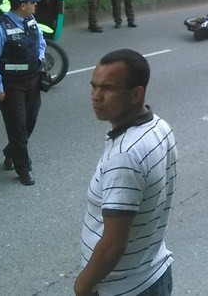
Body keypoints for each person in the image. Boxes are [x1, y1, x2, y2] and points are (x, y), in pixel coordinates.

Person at [75, 49, 178, 296]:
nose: (96, 97)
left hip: (123, 289)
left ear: (136, 94)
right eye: (94, 86)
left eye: (107, 88)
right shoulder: (158, 126)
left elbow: (113, 244)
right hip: (153, 274)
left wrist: (82, 286)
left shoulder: (125, 155)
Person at [0, 0, 46, 186]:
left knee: (29, 123)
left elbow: (41, 42)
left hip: (33, 80)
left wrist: (40, 59)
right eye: (33, 2)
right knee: (17, 127)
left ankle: (11, 151)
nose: (36, 5)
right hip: (12, 84)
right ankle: (23, 167)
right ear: (23, 5)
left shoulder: (31, 21)